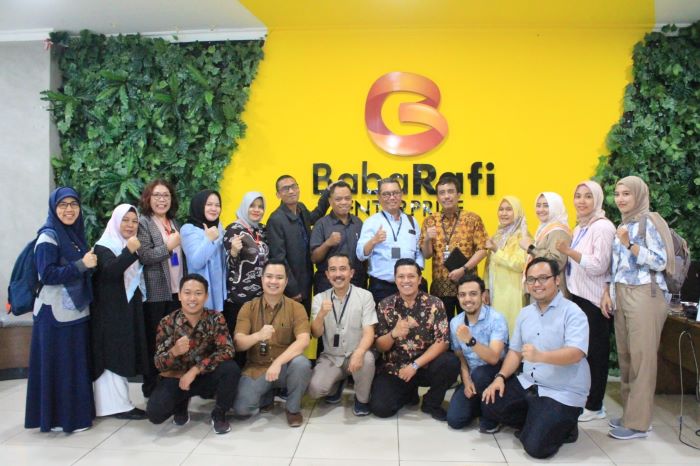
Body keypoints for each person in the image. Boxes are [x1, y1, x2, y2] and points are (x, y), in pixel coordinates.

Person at [481, 258, 590, 459]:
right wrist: (500, 377)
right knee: (490, 404)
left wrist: (540, 356)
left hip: (561, 390)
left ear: (556, 280)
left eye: (543, 278)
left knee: (536, 448)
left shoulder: (573, 312)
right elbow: (515, 352)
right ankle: (539, 420)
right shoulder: (525, 313)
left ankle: (565, 426)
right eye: (531, 280)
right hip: (530, 383)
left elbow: (576, 353)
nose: (537, 284)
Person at [601, 176, 675, 440]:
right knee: (627, 357)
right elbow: (618, 267)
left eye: (626, 194)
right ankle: (631, 415)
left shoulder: (650, 221)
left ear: (639, 196)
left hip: (646, 293)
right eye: (617, 194)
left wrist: (630, 245)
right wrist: (610, 293)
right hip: (623, 293)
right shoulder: (625, 223)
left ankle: (639, 424)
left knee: (643, 359)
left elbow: (661, 261)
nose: (620, 199)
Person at [25, 187, 97, 433]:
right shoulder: (48, 237)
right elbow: (47, 274)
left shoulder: (74, 235)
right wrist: (82, 265)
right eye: (63, 205)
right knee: (59, 367)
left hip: (75, 310)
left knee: (73, 366)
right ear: (54, 208)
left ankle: (76, 417)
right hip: (54, 314)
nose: (69, 210)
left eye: (73, 204)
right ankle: (56, 420)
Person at [146, 274, 240, 435]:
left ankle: (219, 414)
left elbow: (227, 350)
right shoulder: (167, 322)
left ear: (206, 296)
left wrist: (195, 370)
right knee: (155, 414)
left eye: (198, 293)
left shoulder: (215, 318)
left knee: (231, 369)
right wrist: (174, 351)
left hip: (206, 376)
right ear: (180, 295)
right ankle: (181, 404)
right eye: (187, 293)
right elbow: (158, 363)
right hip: (177, 378)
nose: (192, 298)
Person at [369, 258, 459, 420]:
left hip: (425, 366)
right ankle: (409, 393)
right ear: (395, 279)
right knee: (381, 409)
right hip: (396, 369)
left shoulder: (435, 304)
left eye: (411, 276)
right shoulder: (385, 305)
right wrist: (393, 334)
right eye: (401, 276)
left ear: (419, 279)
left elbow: (443, 342)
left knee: (450, 362)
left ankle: (431, 403)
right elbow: (380, 346)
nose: (406, 281)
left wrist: (415, 365)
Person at [556, 181, 615, 422]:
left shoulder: (602, 227)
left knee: (597, 354)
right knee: (584, 352)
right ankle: (587, 399)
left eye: (588, 196)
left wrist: (568, 251)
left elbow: (599, 265)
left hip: (595, 300)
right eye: (578, 196)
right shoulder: (582, 226)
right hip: (579, 297)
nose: (581, 201)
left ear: (597, 199)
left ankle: (595, 405)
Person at [233, 260, 312, 427]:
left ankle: (293, 409)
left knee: (302, 364)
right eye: (269, 276)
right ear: (262, 279)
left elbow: (304, 340)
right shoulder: (248, 307)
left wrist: (278, 362)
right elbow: (239, 343)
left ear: (286, 281)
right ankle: (267, 395)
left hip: (284, 367)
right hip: (257, 367)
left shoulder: (296, 308)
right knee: (242, 409)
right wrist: (257, 336)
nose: (274, 281)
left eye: (279, 277)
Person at [91, 204, 148, 420]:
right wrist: (129, 252)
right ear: (115, 221)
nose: (130, 225)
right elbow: (110, 272)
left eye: (134, 221)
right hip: (109, 313)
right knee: (112, 355)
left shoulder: (127, 244)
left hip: (122, 309)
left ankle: (120, 403)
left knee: (120, 353)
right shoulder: (104, 246)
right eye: (125, 220)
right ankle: (114, 406)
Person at [308, 254, 377, 416]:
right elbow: (316, 334)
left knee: (367, 359)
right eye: (333, 270)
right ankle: (338, 383)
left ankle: (362, 400)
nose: (338, 274)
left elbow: (369, 332)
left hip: (356, 353)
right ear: (327, 275)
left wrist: (359, 352)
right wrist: (321, 315)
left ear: (351, 273)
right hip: (332, 356)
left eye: (343, 269)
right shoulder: (319, 298)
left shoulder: (365, 296)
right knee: (314, 390)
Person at [138, 179, 187, 397]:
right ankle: (151, 388)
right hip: (156, 293)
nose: (161, 200)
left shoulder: (174, 222)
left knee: (173, 340)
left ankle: (170, 386)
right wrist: (167, 247)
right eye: (157, 195)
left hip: (176, 291)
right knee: (155, 341)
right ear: (148, 198)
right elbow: (144, 256)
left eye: (166, 195)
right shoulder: (144, 223)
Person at [420, 173, 488, 319]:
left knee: (470, 325)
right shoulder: (430, 221)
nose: (446, 196)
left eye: (450, 191)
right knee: (443, 328)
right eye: (442, 193)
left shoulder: (472, 219)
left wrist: (463, 269)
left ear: (458, 195)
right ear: (437, 197)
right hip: (440, 288)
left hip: (467, 285)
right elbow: (427, 255)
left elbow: (482, 250)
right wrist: (427, 240)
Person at [446, 275, 508, 432]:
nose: (467, 299)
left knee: (481, 374)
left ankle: (491, 411)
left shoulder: (496, 319)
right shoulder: (455, 322)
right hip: (472, 375)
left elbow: (494, 358)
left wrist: (470, 340)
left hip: (495, 373)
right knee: (455, 420)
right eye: (462, 295)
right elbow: (460, 356)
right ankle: (481, 403)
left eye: (473, 294)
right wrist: (466, 380)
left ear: (483, 295)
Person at [267, 175, 330, 311]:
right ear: (278, 195)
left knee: (304, 321)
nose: (291, 191)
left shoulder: (301, 209)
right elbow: (279, 258)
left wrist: (327, 193)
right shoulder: (276, 219)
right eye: (285, 189)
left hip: (306, 281)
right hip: (291, 287)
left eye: (293, 186)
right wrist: (292, 289)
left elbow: (315, 216)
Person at [357, 178, 425, 304]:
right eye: (386, 194)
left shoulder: (411, 221)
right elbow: (360, 254)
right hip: (382, 287)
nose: (392, 197)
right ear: (379, 197)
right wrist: (373, 241)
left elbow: (418, 251)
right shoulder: (371, 222)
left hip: (410, 286)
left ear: (401, 195)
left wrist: (417, 271)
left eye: (395, 193)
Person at [223, 191, 269, 338]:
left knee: (257, 339)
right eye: (252, 205)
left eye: (260, 207)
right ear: (244, 206)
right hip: (238, 296)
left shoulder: (262, 230)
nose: (257, 210)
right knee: (238, 338)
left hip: (260, 296)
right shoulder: (233, 230)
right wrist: (234, 252)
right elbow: (228, 265)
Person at [310, 181, 366, 293]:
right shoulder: (321, 224)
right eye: (338, 199)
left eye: (347, 198)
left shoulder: (358, 223)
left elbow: (365, 256)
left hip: (356, 284)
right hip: (327, 285)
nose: (344, 202)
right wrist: (327, 243)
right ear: (330, 201)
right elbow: (314, 258)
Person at [484, 196, 528, 332]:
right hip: (495, 290)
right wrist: (486, 288)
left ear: (517, 212)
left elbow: (521, 264)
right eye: (501, 209)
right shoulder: (498, 235)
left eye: (509, 209)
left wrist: (496, 250)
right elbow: (488, 265)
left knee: (511, 328)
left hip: (512, 291)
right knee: (497, 330)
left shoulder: (523, 236)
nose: (504, 213)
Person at [181, 190, 227, 311]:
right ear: (200, 205)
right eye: (209, 204)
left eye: (217, 205)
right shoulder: (188, 229)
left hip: (219, 294)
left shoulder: (219, 227)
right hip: (200, 294)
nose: (214, 209)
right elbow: (196, 262)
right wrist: (209, 239)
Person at [521, 192, 571, 295]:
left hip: (553, 293)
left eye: (546, 206)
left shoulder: (558, 231)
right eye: (538, 205)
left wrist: (531, 248)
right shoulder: (545, 228)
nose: (540, 210)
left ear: (555, 207)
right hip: (543, 289)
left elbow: (557, 262)